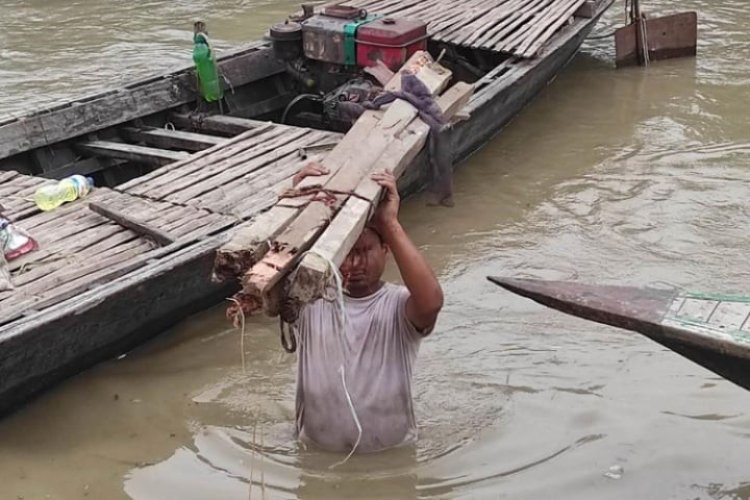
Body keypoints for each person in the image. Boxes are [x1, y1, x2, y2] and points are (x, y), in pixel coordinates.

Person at [291, 162, 444, 454]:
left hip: (391, 457)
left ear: (386, 249)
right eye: (346, 253)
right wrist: (295, 206)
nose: (354, 264)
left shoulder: (397, 307)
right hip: (316, 459)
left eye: (364, 251)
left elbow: (432, 301)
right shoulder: (308, 298)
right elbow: (265, 279)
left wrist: (390, 222)